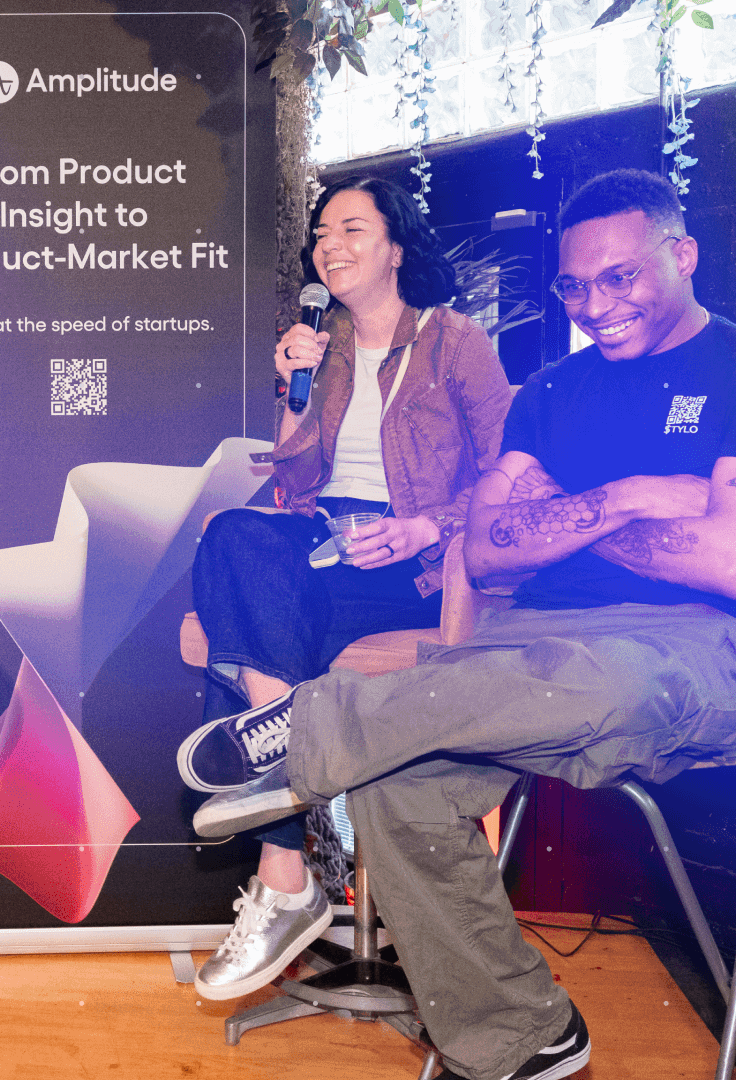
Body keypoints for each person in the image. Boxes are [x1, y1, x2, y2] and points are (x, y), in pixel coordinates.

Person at [180, 168, 736, 1080]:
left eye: (622, 277)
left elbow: (730, 561)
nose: (596, 304)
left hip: (680, 651)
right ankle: (527, 1036)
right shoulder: (554, 392)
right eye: (575, 285)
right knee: (396, 786)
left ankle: (305, 736)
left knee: (546, 678)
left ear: (682, 257)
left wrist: (565, 515)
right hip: (521, 643)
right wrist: (632, 500)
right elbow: (486, 551)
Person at [178, 175, 512, 1001]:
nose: (330, 243)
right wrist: (292, 388)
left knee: (282, 610)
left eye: (352, 228)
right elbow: (290, 482)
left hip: (421, 561)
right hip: (330, 539)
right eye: (322, 231)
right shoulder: (320, 345)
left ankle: (284, 865)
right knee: (233, 534)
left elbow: (515, 475)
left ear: (397, 245)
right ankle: (292, 797)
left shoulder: (453, 340)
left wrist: (426, 526)